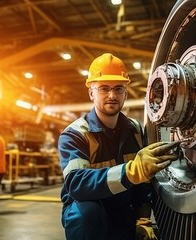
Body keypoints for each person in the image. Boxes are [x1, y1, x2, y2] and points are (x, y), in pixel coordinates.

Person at [58, 53, 178, 240]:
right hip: (90, 215)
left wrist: (143, 220)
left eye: (118, 89)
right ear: (91, 93)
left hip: (122, 211)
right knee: (87, 213)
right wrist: (130, 172)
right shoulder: (75, 134)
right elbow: (77, 184)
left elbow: (143, 183)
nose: (112, 95)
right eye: (104, 89)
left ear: (126, 93)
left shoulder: (136, 130)